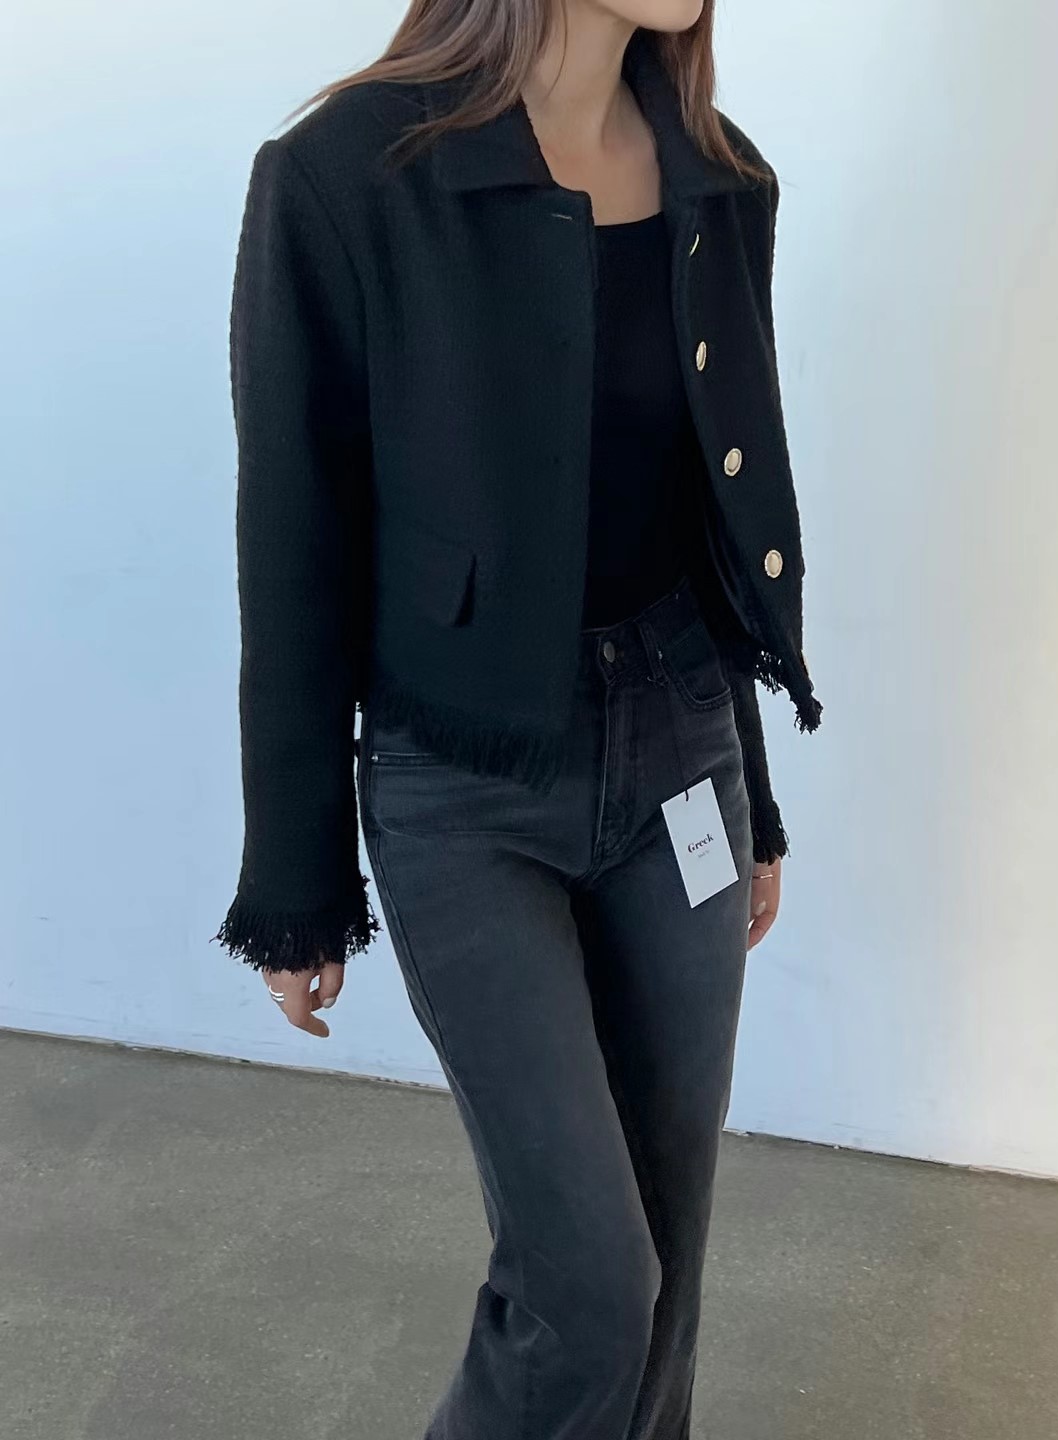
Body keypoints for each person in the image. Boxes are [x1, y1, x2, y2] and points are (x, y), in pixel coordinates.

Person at [215, 2, 823, 1434]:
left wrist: (751, 791)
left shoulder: (719, 178)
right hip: (464, 780)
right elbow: (295, 544)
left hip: (684, 750)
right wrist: (296, 879)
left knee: (667, 1281)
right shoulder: (346, 178)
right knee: (591, 1285)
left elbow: (708, 523)